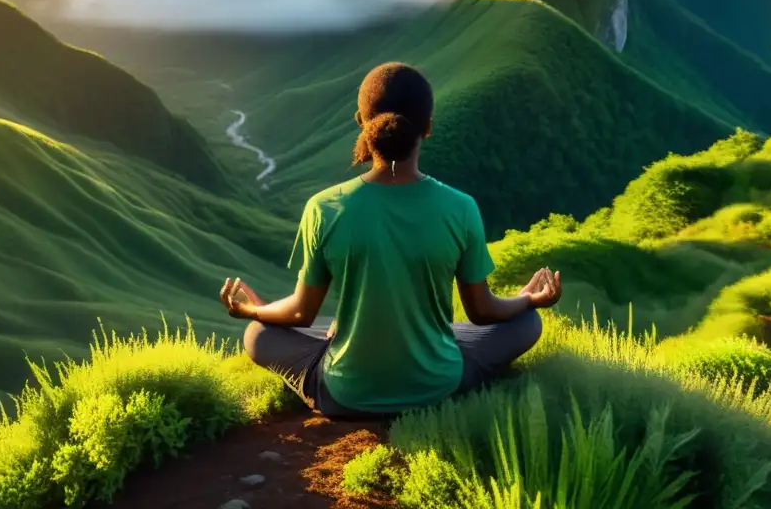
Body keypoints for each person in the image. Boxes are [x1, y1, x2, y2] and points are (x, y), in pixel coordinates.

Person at [220, 61, 562, 419]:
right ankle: (436, 363)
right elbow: (482, 311)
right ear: (427, 128)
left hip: (345, 394)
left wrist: (253, 310)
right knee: (527, 324)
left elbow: (301, 313)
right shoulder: (461, 208)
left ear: (361, 122)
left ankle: (344, 353)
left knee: (258, 335)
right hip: (437, 387)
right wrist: (526, 301)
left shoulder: (324, 207)